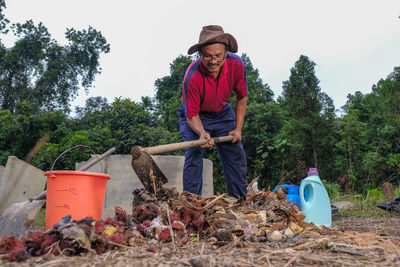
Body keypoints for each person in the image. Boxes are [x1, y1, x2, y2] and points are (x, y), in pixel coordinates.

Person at [178, 25, 248, 198]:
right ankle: (193, 207)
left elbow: (242, 97)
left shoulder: (237, 65)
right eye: (208, 56)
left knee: (235, 154)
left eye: (218, 56)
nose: (213, 61)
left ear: (226, 53)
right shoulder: (192, 76)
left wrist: (238, 129)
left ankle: (239, 202)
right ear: (200, 54)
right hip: (195, 115)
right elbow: (191, 115)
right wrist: (202, 133)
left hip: (222, 112)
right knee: (194, 155)